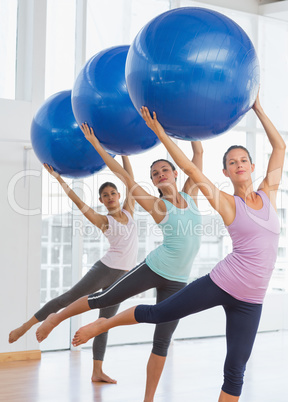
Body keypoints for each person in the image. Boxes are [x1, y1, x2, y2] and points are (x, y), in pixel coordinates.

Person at [71, 92, 286, 402]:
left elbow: (279, 147)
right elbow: (191, 167)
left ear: (252, 166)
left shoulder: (269, 193)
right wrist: (160, 132)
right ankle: (105, 322)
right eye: (231, 163)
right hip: (222, 282)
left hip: (252, 299)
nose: (238, 165)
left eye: (243, 160)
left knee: (236, 369)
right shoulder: (226, 202)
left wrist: (259, 109)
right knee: (159, 314)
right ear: (225, 172)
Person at [35, 123, 203, 402]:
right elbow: (122, 176)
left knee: (162, 341)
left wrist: (182, 124)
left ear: (175, 173)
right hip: (154, 267)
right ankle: (56, 318)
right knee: (103, 299)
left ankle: (148, 399)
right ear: (153, 182)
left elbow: (197, 152)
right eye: (154, 174)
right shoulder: (156, 204)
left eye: (164, 170)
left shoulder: (191, 194)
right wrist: (98, 146)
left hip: (179, 279)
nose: (160, 175)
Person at [9, 156, 138, 384]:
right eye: (105, 195)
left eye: (113, 193)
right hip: (106, 269)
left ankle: (97, 371)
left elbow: (131, 181)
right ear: (102, 200)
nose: (110, 197)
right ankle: (24, 327)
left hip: (123, 276)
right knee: (68, 298)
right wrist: (59, 179)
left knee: (103, 323)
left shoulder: (129, 211)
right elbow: (79, 203)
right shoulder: (104, 220)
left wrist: (124, 152)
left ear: (118, 195)